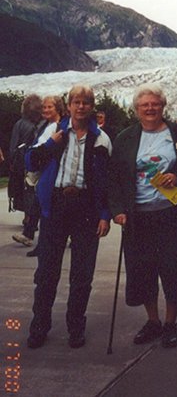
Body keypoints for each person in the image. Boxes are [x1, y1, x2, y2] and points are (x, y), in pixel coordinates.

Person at [109, 83, 177, 348]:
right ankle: (152, 321)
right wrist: (117, 210)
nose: (150, 108)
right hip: (137, 216)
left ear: (163, 107)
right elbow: (115, 178)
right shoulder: (125, 138)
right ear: (137, 110)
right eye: (145, 105)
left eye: (155, 104)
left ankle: (169, 323)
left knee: (173, 269)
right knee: (143, 270)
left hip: (171, 213)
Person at [26, 85, 112, 349]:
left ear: (92, 106)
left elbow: (108, 182)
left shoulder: (102, 139)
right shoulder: (54, 131)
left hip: (86, 209)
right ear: (70, 105)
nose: (81, 106)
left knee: (82, 274)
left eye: (86, 102)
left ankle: (76, 327)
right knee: (47, 272)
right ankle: (39, 326)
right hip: (56, 206)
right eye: (76, 101)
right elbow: (30, 161)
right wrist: (52, 145)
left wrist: (105, 215)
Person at [12, 95, 65, 253]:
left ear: (58, 109)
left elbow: (51, 148)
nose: (46, 110)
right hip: (41, 167)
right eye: (44, 107)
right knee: (40, 203)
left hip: (50, 170)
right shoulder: (45, 125)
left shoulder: (59, 126)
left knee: (45, 205)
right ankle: (37, 240)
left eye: (50, 107)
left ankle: (38, 240)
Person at [8, 94, 43, 215]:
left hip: (21, 160)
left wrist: (11, 162)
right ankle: (32, 214)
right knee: (33, 187)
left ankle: (27, 215)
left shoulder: (20, 124)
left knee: (24, 188)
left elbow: (13, 145)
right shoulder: (42, 124)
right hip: (36, 160)